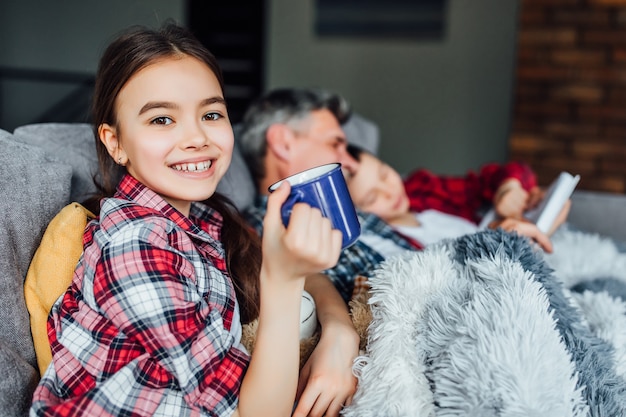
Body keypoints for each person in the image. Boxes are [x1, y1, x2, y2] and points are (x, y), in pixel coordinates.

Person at [30, 24, 353, 417]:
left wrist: (339, 336)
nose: (197, 137)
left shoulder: (205, 223)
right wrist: (283, 282)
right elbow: (254, 413)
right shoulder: (137, 244)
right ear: (115, 143)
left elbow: (309, 275)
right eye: (162, 120)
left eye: (212, 113)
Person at [239, 88, 420, 305]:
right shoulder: (265, 233)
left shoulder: (352, 207)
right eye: (335, 144)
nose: (351, 163)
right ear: (283, 143)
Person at [345, 144, 571, 254]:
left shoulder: (421, 187)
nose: (389, 191)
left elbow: (509, 171)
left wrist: (508, 187)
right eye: (372, 198)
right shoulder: (387, 243)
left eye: (385, 174)